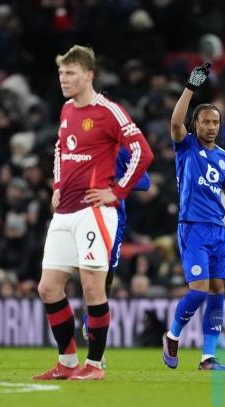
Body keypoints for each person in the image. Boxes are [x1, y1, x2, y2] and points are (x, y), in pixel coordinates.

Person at [33, 45, 153, 381]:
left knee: (92, 288)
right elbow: (60, 149)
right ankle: (67, 362)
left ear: (89, 75)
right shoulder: (66, 109)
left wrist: (116, 191)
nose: (63, 79)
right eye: (61, 73)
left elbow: (143, 153)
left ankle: (95, 366)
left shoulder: (109, 111)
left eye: (70, 73)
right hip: (64, 211)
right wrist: (57, 185)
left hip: (94, 211)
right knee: (48, 287)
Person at [162, 63, 225, 371]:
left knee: (218, 290)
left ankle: (208, 357)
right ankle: (172, 335)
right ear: (196, 124)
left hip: (218, 231)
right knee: (199, 290)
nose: (210, 126)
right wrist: (190, 87)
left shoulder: (224, 159)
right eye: (205, 121)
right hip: (192, 227)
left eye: (215, 122)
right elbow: (175, 122)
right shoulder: (186, 147)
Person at [81, 146, 151, 368]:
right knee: (89, 276)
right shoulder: (84, 143)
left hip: (114, 220)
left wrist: (112, 184)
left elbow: (145, 181)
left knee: (105, 282)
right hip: (84, 215)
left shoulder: (123, 148)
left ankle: (90, 325)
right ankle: (92, 343)